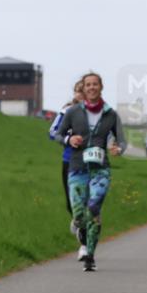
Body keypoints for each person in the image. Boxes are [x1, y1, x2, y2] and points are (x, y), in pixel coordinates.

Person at [53, 72, 127, 272]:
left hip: (100, 169)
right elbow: (58, 134)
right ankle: (78, 225)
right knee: (79, 213)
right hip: (77, 167)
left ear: (101, 87)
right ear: (83, 89)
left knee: (93, 208)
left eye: (95, 84)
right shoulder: (73, 112)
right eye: (88, 85)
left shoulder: (111, 114)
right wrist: (69, 140)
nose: (92, 87)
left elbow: (121, 140)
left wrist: (118, 148)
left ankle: (90, 255)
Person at [49, 82, 88, 257]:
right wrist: (68, 139)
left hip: (92, 162)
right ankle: (77, 220)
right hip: (70, 161)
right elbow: (52, 132)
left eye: (84, 91)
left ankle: (85, 246)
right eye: (78, 91)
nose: (81, 94)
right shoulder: (66, 111)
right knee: (71, 203)